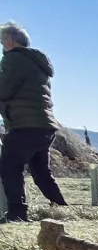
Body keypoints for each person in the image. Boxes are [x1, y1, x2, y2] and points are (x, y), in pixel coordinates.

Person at [0, 21, 66, 222]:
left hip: (25, 126)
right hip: (44, 127)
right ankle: (62, 208)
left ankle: (17, 214)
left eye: (2, 40)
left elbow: (3, 90)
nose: (2, 45)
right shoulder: (37, 63)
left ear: (11, 40)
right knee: (41, 172)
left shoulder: (15, 59)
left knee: (10, 168)